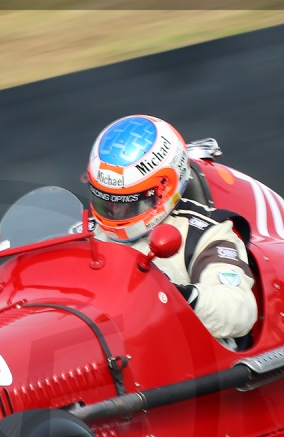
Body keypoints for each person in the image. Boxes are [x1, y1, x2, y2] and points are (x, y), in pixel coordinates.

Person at [87, 115, 257, 347]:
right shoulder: (84, 232)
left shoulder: (206, 234)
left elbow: (239, 310)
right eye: (105, 201)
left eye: (127, 202)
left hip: (181, 362)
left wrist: (177, 297)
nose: (115, 211)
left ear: (163, 189)